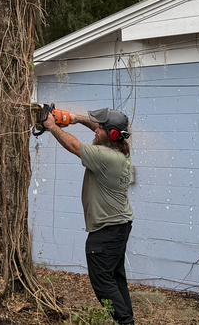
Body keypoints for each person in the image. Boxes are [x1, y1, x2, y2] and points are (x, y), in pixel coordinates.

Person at [43, 107, 134, 325]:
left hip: (106, 230)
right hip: (119, 226)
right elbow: (96, 127)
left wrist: (51, 125)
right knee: (115, 278)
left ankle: (124, 322)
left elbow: (74, 146)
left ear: (111, 135)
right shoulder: (117, 151)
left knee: (102, 281)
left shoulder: (105, 156)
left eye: (100, 128)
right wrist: (74, 119)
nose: (96, 129)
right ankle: (127, 320)